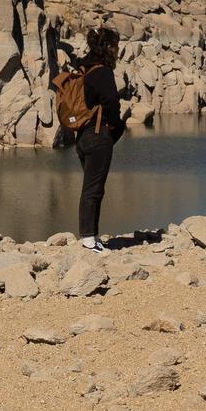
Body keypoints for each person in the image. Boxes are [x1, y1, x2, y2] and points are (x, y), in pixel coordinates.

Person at [55, 26, 127, 252]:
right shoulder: (102, 72)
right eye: (115, 46)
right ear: (108, 47)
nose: (118, 51)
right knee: (93, 189)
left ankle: (92, 237)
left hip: (82, 138)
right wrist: (114, 126)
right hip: (98, 136)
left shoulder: (83, 68)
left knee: (92, 187)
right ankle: (88, 239)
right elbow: (112, 102)